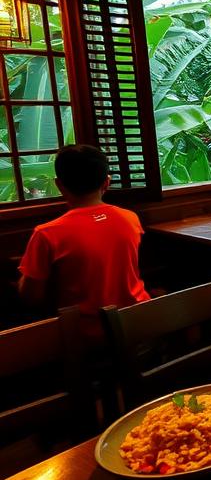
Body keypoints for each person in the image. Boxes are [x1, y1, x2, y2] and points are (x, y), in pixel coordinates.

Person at [18, 144, 150, 342]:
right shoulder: (130, 218)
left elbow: (31, 296)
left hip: (87, 338)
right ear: (106, 183)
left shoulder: (47, 234)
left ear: (59, 184)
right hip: (139, 324)